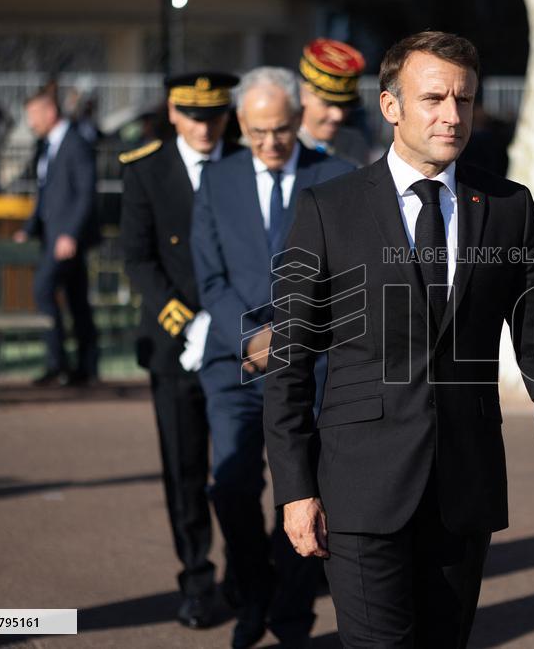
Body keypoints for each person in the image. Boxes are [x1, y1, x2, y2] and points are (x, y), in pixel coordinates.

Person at [263, 31, 534, 648]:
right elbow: (289, 362)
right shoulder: (329, 208)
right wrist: (295, 487)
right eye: (433, 98)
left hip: (463, 488)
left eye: (463, 100)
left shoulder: (507, 207)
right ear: (391, 106)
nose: (452, 115)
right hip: (358, 488)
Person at [190, 66, 354, 649]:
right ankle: (254, 592)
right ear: (240, 124)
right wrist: (252, 341)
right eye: (258, 132)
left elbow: (347, 277)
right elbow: (210, 278)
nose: (271, 143)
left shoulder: (337, 176)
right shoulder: (217, 180)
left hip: (312, 363)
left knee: (306, 492)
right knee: (231, 485)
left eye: (281, 129)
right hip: (234, 363)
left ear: (298, 117)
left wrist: (292, 342)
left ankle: (290, 617)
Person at [119, 72, 242, 630]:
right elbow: (138, 258)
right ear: (172, 113)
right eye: (193, 114)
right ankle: (196, 579)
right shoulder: (145, 169)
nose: (204, 126)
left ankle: (244, 574)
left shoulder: (243, 161)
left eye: (214, 115)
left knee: (242, 468)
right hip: (177, 346)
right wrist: (184, 324)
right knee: (184, 468)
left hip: (238, 340)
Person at [13, 90, 100, 387]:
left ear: (50, 112)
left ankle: (58, 362)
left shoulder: (76, 144)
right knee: (77, 300)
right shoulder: (46, 146)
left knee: (43, 289)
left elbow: (86, 194)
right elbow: (45, 193)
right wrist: (29, 227)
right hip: (53, 236)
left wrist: (70, 234)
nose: (30, 123)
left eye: (33, 116)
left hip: (66, 239)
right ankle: (85, 367)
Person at [297, 38, 371, 167]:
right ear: (302, 96)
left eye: (345, 105)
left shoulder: (354, 144)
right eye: (328, 104)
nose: (338, 115)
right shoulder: (282, 145)